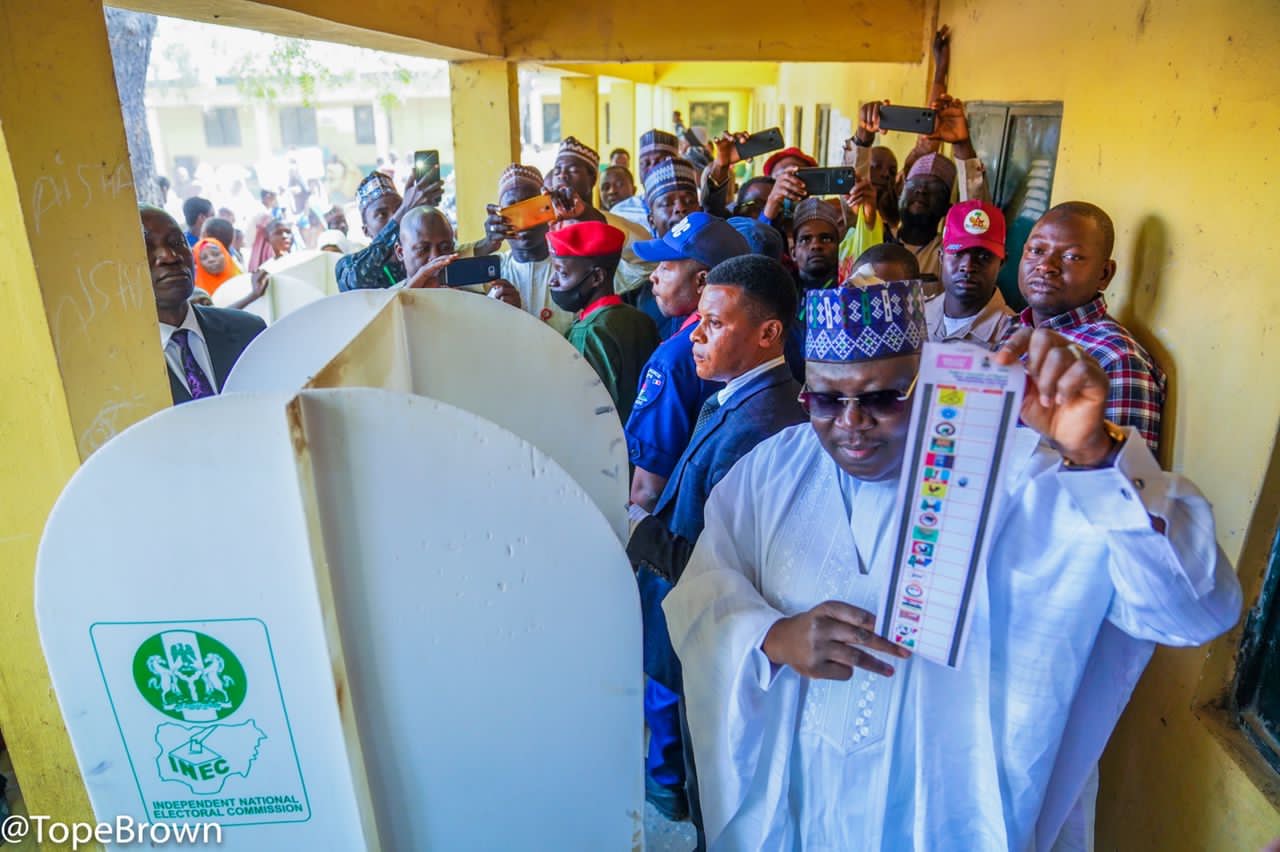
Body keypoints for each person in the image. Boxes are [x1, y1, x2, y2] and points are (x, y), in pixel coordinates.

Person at [663, 278, 1241, 851]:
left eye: (882, 397)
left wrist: (1095, 452)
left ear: (928, 385)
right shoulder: (770, 472)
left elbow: (1192, 613)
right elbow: (702, 592)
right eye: (826, 400)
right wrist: (770, 638)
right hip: (797, 812)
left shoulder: (1024, 486)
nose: (851, 421)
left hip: (948, 820)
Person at [626, 253, 806, 832]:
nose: (696, 336)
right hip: (701, 631)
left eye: (715, 323)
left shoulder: (759, 424)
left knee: (717, 791)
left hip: (719, 637)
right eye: (698, 320)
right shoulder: (739, 397)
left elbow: (719, 567)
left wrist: (635, 527)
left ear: (768, 333)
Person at [1012, 201, 1166, 452]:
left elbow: (1124, 474)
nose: (1046, 266)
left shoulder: (1117, 359)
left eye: (1071, 257)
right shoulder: (1015, 332)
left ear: (1104, 274)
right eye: (1037, 250)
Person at [628, 213, 752, 511]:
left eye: (666, 267)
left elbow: (648, 490)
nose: (653, 276)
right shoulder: (759, 334)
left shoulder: (675, 359)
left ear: (702, 281)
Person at [141, 206, 266, 405]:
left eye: (177, 242)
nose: (170, 256)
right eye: (145, 248)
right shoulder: (116, 369)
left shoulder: (250, 331)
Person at [548, 221, 658, 424]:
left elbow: (584, 409)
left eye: (562, 273)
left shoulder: (587, 332)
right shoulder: (639, 319)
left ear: (597, 277)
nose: (552, 281)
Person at [547, 137, 653, 296]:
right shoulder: (549, 230)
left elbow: (647, 260)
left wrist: (586, 215)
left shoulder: (612, 221)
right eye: (557, 171)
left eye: (573, 170)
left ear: (592, 178)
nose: (562, 175)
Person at [478, 164, 573, 332]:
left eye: (530, 209)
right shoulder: (489, 271)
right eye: (512, 212)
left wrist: (582, 215)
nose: (522, 222)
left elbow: (628, 267)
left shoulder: (572, 267)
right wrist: (485, 244)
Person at [925, 199, 1015, 345]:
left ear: (1001, 263)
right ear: (941, 256)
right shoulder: (917, 316)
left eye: (984, 257)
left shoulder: (1012, 337)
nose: (968, 266)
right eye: (958, 253)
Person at [336, 169, 442, 291]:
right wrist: (403, 210)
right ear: (366, 230)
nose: (395, 217)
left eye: (398, 209)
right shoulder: (348, 266)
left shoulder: (421, 257)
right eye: (382, 214)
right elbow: (356, 281)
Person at [395, 206, 520, 307]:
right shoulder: (390, 302)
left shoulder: (475, 300)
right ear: (400, 252)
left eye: (445, 248)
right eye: (423, 249)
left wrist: (509, 314)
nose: (435, 257)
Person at [608, 130, 681, 231]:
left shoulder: (687, 209)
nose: (652, 169)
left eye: (661, 162)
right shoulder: (619, 213)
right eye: (646, 163)